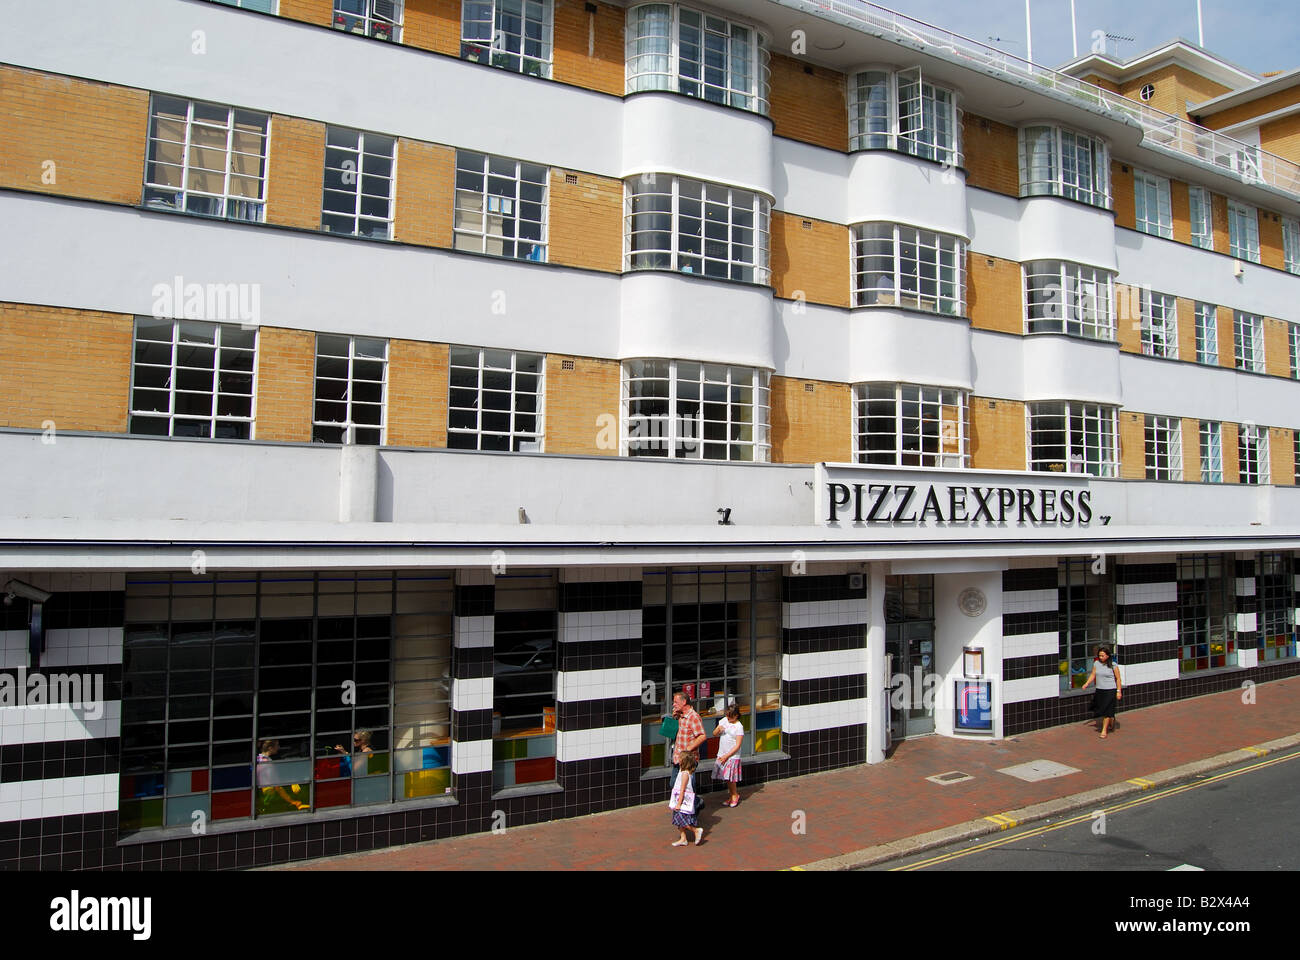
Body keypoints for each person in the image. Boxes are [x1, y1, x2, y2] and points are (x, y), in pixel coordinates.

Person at [1081, 644, 1122, 739]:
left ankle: (1104, 730)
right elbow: (1093, 674)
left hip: (1110, 690)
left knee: (1107, 711)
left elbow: (1118, 678)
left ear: (1107, 656)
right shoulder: (1096, 664)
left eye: (1102, 655)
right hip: (1100, 690)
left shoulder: (1113, 665)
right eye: (1099, 655)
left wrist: (1118, 691)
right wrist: (1086, 683)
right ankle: (1112, 719)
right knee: (1102, 709)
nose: (1100, 657)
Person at [257, 739, 308, 812]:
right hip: (271, 796)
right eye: (277, 745)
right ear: (270, 748)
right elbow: (276, 784)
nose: (279, 747)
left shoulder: (259, 758)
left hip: (267, 794)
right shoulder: (266, 762)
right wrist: (292, 800)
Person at [668, 749, 703, 846]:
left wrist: (679, 803)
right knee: (678, 820)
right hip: (679, 799)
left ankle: (696, 830)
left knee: (681, 819)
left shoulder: (685, 774)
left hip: (682, 801)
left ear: (684, 761)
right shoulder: (682, 771)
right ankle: (683, 838)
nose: (678, 760)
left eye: (680, 758)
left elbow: (682, 789)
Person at [712, 703, 744, 806]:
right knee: (726, 777)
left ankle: (734, 795)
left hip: (732, 756)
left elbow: (738, 745)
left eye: (730, 716)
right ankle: (732, 795)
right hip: (722, 753)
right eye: (727, 716)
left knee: (731, 778)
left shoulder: (739, 727)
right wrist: (718, 729)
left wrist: (727, 756)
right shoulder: (724, 721)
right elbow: (714, 733)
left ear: (736, 716)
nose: (728, 718)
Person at [671, 691, 705, 783]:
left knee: (688, 786)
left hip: (688, 759)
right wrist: (674, 719)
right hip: (678, 757)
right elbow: (671, 733)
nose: (673, 705)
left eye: (675, 702)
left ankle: (695, 798)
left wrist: (688, 749)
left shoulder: (693, 717)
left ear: (684, 702)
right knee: (674, 784)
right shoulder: (680, 716)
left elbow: (702, 736)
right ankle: (694, 798)